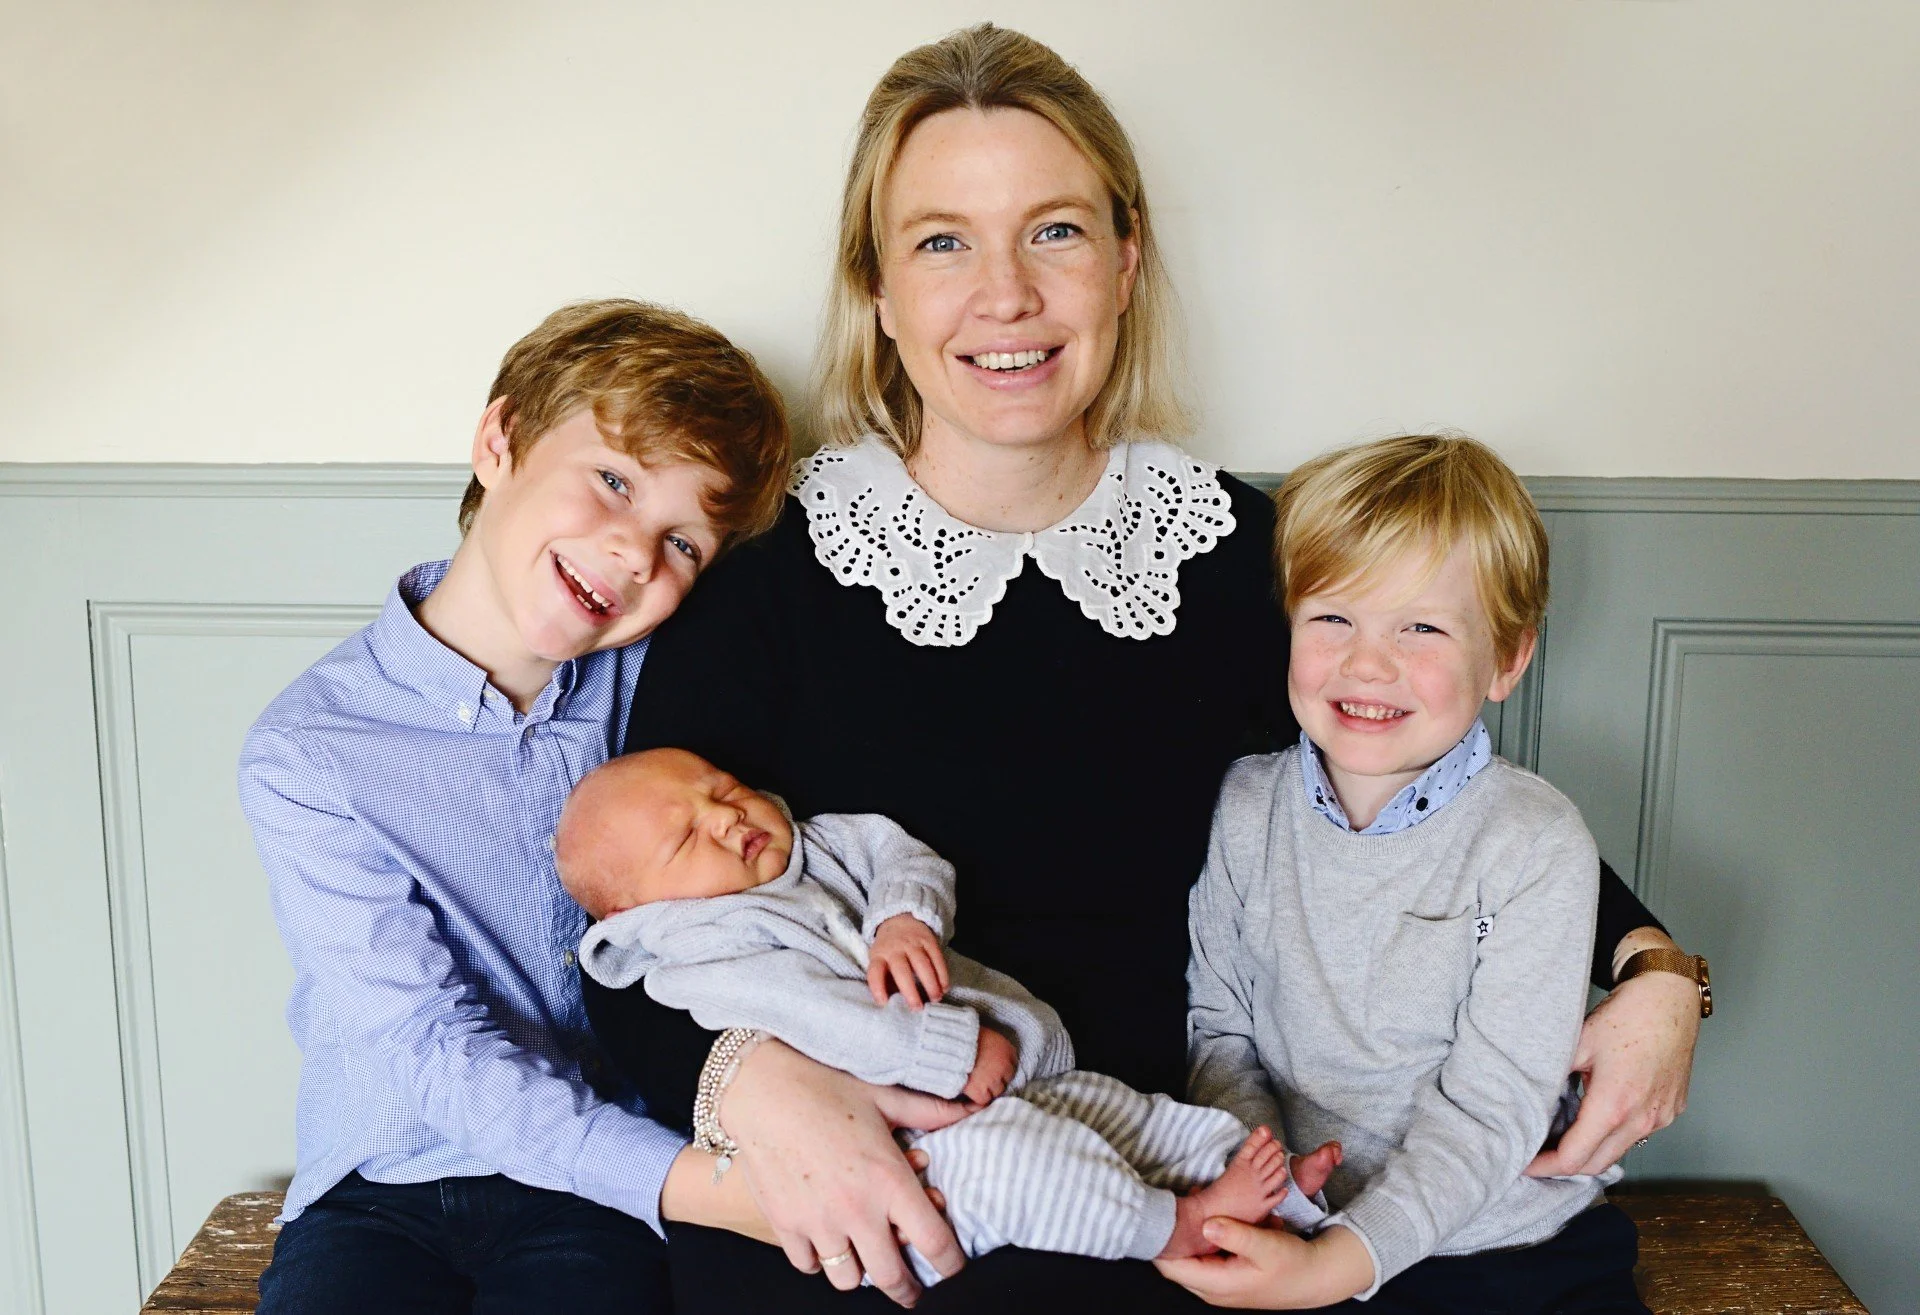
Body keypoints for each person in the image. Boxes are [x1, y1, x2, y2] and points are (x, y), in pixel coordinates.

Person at [587, 25, 1706, 1313]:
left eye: (1054, 232)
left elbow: (1424, 796)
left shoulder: (1241, 559)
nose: (1004, 293)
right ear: (879, 290)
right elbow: (627, 920)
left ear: (1125, 262)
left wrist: (1658, 967)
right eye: (942, 239)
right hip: (885, 1168)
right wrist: (750, 1083)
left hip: (1178, 1171)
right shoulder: (765, 597)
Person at [236, 299, 791, 1314]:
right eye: (614, 482)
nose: (634, 554)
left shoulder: (659, 694)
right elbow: (428, 1044)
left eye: (684, 543)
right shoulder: (308, 751)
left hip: (588, 1193)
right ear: (501, 441)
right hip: (377, 1183)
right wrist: (706, 1188)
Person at [1166, 434, 1649, 1312]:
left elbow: (1492, 1107)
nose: (1367, 660)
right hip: (1296, 1221)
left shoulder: (1534, 843)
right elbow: (1221, 1032)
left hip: (1499, 1240)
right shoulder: (1243, 807)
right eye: (1332, 618)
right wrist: (1273, 1183)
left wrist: (1347, 1258)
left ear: (1508, 659)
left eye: (1420, 626)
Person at [555, 748, 1340, 1286]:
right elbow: (824, 1018)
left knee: (1135, 1118)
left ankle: (1282, 1200)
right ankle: (1180, 1226)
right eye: (688, 834)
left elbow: (908, 857)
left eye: (722, 789)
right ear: (636, 912)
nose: (726, 816)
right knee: (1034, 1169)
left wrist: (906, 917)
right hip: (925, 1147)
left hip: (1029, 1079)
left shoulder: (821, 842)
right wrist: (947, 1050)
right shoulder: (702, 950)